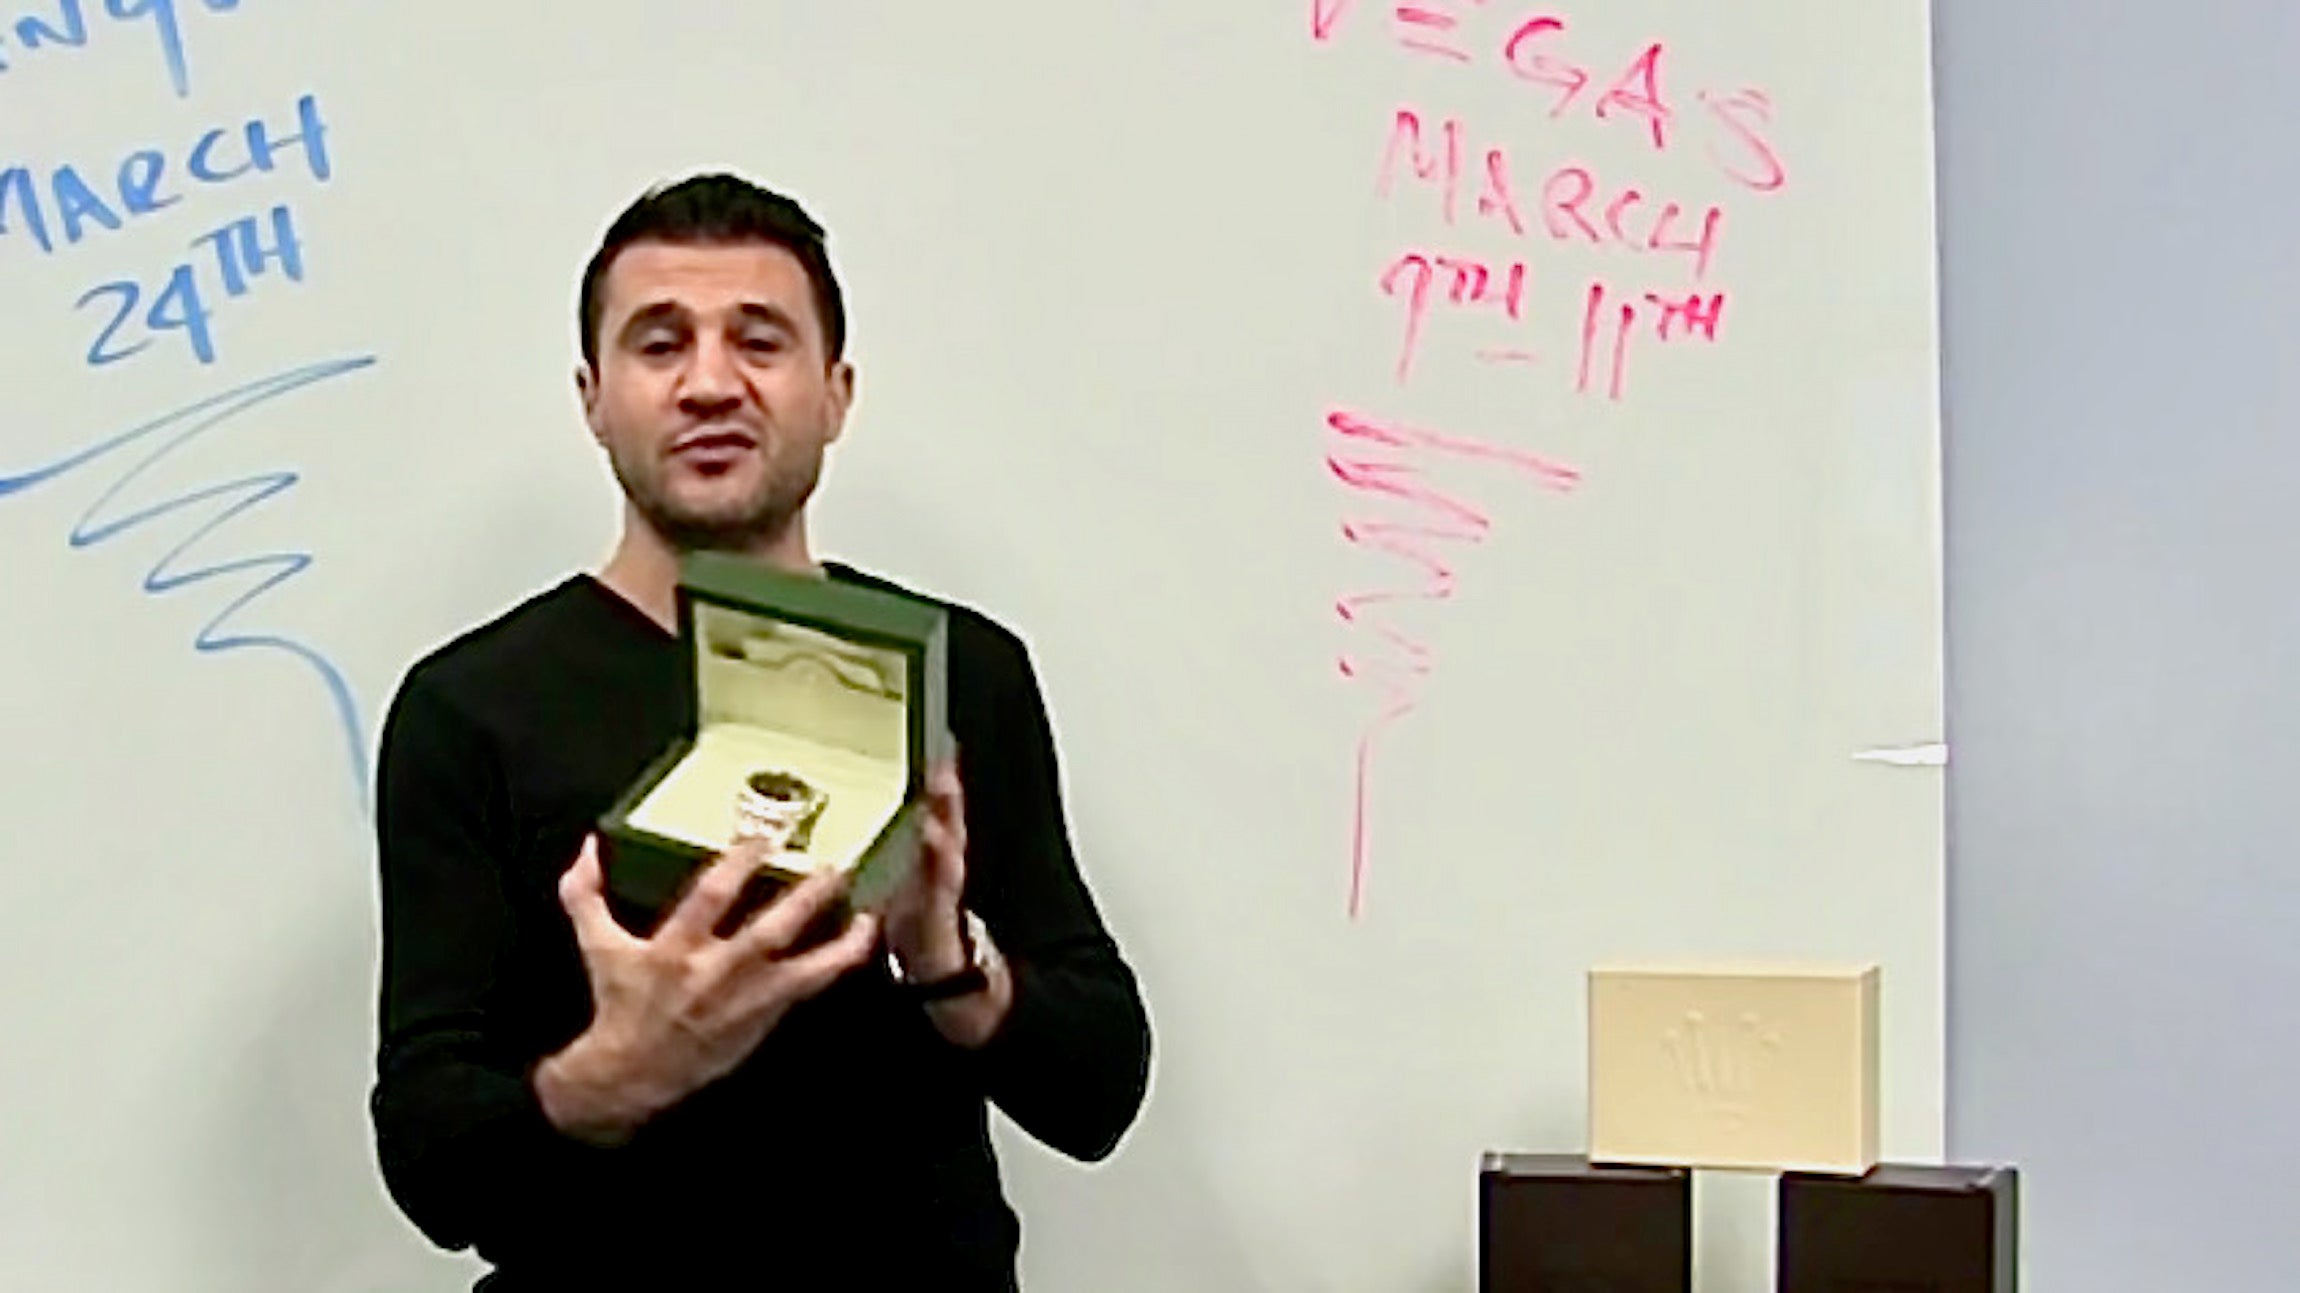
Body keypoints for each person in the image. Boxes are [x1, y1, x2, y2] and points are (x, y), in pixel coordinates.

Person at [367, 173, 1153, 1291]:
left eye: (759, 341)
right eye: (658, 344)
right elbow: (431, 1160)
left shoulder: (958, 672)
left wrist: (943, 963)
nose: (709, 383)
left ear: (835, 392)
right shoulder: (467, 709)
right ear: (592, 396)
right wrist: (619, 1070)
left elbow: (1097, 1092)